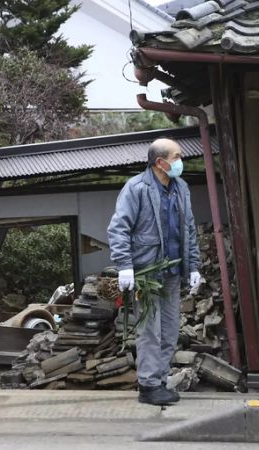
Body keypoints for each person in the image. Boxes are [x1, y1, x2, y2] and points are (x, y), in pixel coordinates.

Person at [107, 138, 201, 406]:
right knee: (150, 331)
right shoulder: (136, 188)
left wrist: (192, 266)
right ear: (160, 162)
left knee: (170, 330)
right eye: (177, 156)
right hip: (146, 274)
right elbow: (119, 228)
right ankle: (148, 385)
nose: (181, 161)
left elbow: (189, 230)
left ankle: (159, 381)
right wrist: (125, 265)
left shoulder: (181, 187)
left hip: (172, 272)